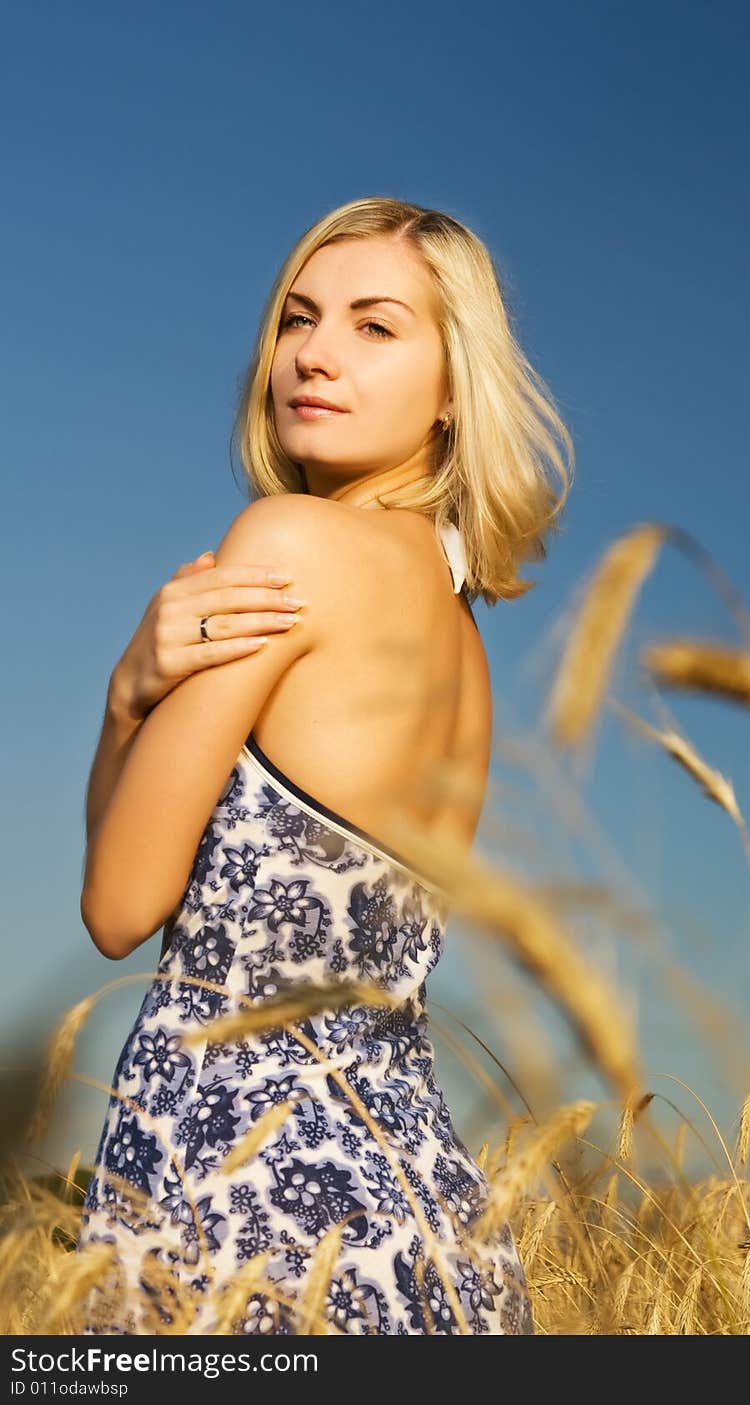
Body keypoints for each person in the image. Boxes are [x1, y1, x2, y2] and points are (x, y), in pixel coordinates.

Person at [75, 196, 573, 1336]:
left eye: (374, 326)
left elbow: (119, 904)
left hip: (254, 1203)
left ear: (455, 390)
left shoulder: (286, 546)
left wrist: (121, 698)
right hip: (426, 1217)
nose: (314, 351)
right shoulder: (464, 638)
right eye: (299, 316)